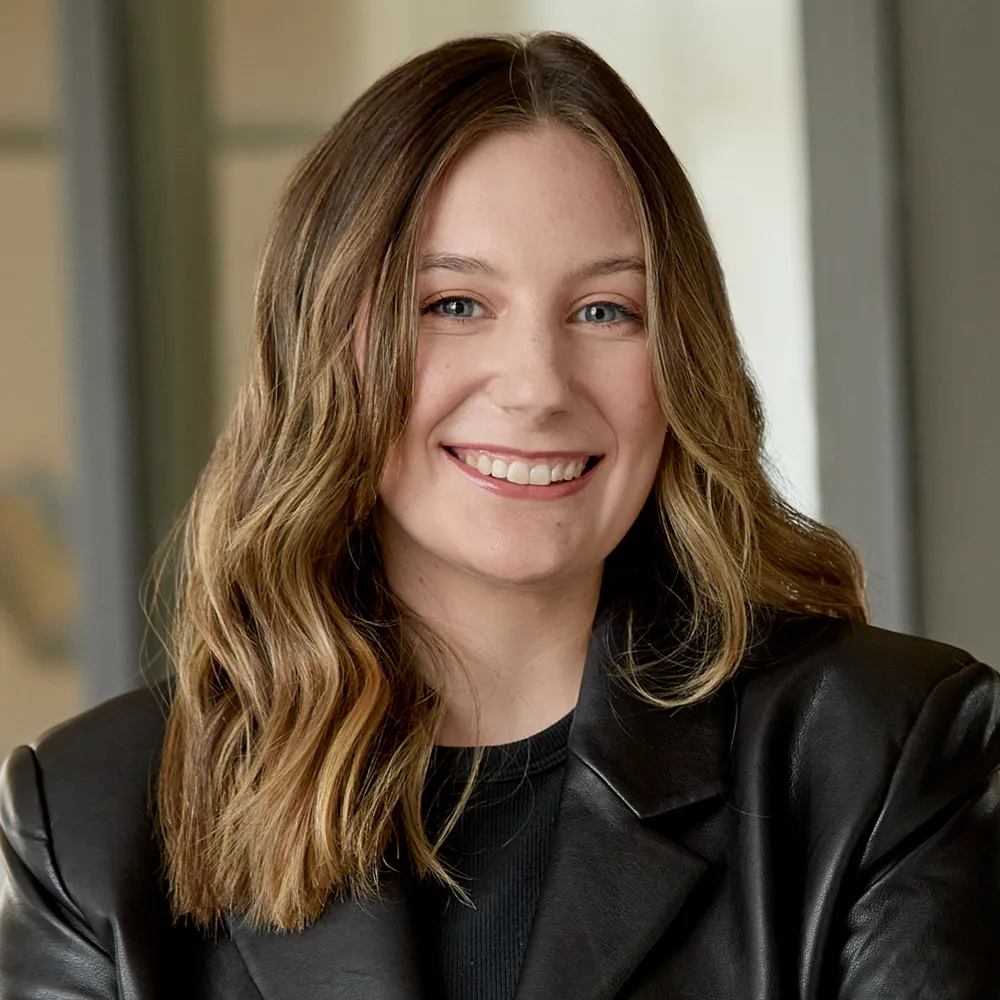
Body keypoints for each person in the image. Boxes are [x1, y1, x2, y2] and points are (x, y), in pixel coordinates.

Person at [1, 30, 998, 999]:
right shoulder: (92, 820)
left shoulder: (890, 756)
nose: (535, 386)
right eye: (453, 305)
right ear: (322, 352)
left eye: (606, 310)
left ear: (680, 362)